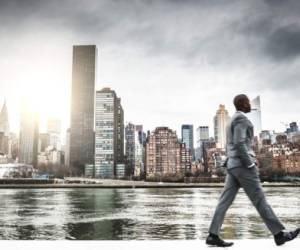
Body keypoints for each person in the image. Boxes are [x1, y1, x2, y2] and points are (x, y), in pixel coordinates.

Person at [206, 94, 299, 247]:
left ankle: (212, 234)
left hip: (233, 165)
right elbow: (240, 142)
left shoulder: (231, 121)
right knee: (260, 200)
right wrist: (250, 163)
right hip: (243, 166)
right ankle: (279, 234)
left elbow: (233, 144)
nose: (250, 105)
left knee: (224, 201)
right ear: (243, 104)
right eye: (248, 102)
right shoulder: (242, 119)